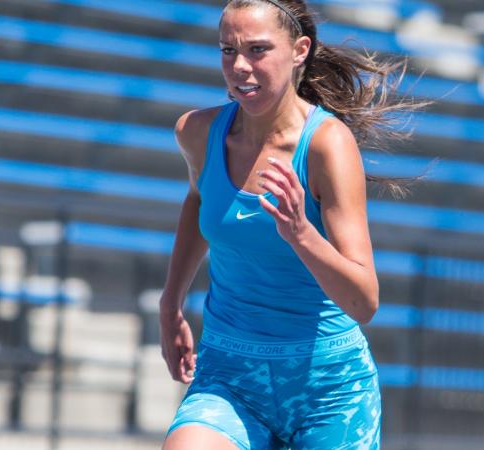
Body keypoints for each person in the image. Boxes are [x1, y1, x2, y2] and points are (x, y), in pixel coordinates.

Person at [159, 0, 416, 448]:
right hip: (229, 374)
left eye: (257, 49)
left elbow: (364, 301)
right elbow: (199, 202)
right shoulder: (197, 132)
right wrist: (171, 305)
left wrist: (301, 233)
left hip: (328, 389)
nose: (239, 66)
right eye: (227, 50)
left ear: (299, 50)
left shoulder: (327, 147)